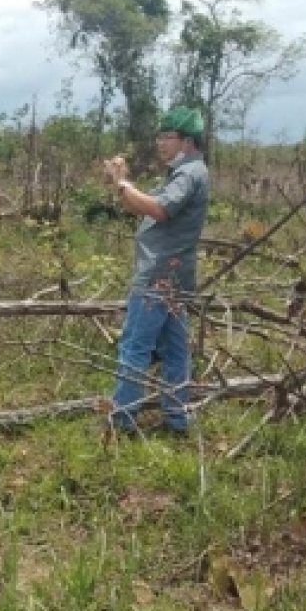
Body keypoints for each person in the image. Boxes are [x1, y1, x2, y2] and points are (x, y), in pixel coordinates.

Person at [100, 107, 210, 437]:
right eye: (159, 136)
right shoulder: (183, 173)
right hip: (174, 279)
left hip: (157, 279)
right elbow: (145, 206)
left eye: (167, 137)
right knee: (177, 351)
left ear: (187, 141)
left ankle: (121, 422)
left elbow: (160, 210)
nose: (160, 143)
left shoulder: (189, 174)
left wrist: (122, 184)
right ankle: (176, 421)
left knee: (135, 347)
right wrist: (122, 185)